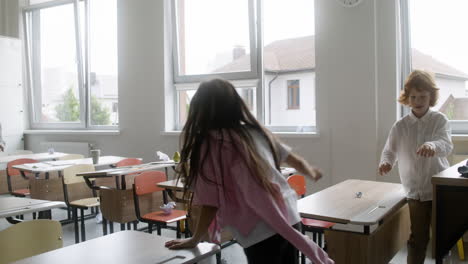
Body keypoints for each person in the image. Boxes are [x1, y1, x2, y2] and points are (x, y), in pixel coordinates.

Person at [165, 78, 334, 264]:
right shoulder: (254, 133)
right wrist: (310, 171)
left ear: (200, 110)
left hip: (259, 230)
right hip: (288, 217)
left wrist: (195, 238)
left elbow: (210, 201)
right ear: (235, 105)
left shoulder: (210, 145)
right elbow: (290, 157)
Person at [378, 70, 453, 264]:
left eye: (423, 96)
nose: (418, 101)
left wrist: (433, 145)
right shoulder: (400, 126)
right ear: (407, 98)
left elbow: (446, 144)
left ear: (431, 97)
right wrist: (386, 162)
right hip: (415, 192)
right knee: (418, 238)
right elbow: (389, 151)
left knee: (442, 239)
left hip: (439, 190)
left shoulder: (439, 120)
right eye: (413, 97)